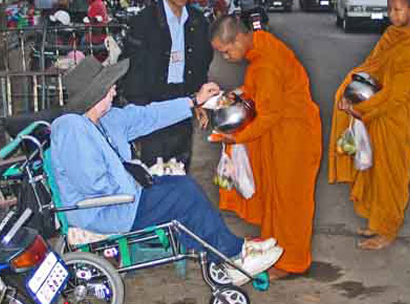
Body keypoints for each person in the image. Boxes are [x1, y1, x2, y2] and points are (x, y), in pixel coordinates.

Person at [51, 56, 283, 285]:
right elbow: (94, 185)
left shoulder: (107, 118)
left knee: (184, 186)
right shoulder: (72, 128)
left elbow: (150, 115)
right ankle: (232, 258)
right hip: (105, 210)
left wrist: (194, 100)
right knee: (182, 197)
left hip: (124, 197)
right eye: (109, 87)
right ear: (96, 94)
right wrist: (134, 177)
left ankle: (231, 250)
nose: (114, 91)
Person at [210, 16, 322, 279]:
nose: (226, 57)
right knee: (275, 194)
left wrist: (236, 139)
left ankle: (292, 262)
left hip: (294, 136)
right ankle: (274, 245)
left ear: (239, 39)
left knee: (290, 200)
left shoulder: (266, 63)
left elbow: (270, 114)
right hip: (283, 133)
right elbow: (258, 90)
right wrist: (238, 93)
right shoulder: (262, 44)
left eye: (226, 51)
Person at [329, 0, 410, 250]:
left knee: (391, 176)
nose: (392, 15)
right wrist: (352, 92)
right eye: (390, 9)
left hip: (395, 118)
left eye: (397, 10)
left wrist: (361, 110)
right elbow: (370, 69)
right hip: (376, 111)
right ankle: (376, 220)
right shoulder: (391, 35)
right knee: (373, 171)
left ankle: (388, 229)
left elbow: (396, 95)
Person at [121, 0, 213, 169]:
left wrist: (198, 101)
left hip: (183, 98)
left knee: (181, 165)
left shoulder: (198, 21)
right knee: (154, 169)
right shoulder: (144, 22)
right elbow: (131, 67)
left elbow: (202, 63)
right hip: (152, 102)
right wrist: (138, 108)